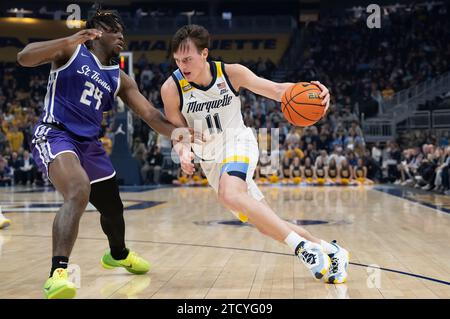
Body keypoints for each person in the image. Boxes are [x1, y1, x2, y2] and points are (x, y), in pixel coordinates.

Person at [17, 10, 193, 299]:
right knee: (77, 189)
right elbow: (25, 56)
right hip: (56, 134)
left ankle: (118, 253)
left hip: (89, 145)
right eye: (114, 30)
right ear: (96, 33)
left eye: (122, 30)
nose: (121, 35)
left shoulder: (119, 78)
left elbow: (149, 114)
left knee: (113, 209)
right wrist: (68, 38)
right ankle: (57, 273)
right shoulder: (70, 50)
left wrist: (181, 133)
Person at [161, 24, 349, 284]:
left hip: (238, 143)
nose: (183, 65)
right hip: (211, 161)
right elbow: (177, 130)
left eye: (188, 58)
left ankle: (302, 249)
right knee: (267, 223)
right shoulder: (171, 88)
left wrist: (314, 91)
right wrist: (182, 153)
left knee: (230, 192)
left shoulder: (231, 73)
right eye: (178, 60)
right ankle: (332, 250)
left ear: (204, 54)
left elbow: (276, 90)